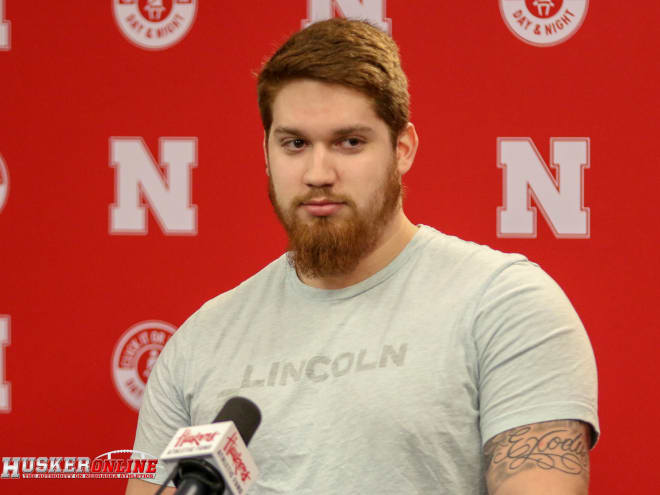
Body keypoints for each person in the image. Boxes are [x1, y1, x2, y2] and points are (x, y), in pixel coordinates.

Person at [126, 18, 599, 495]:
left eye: (349, 142)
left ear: (403, 149)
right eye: (295, 144)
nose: (318, 172)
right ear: (266, 154)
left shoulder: (506, 304)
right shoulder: (199, 343)